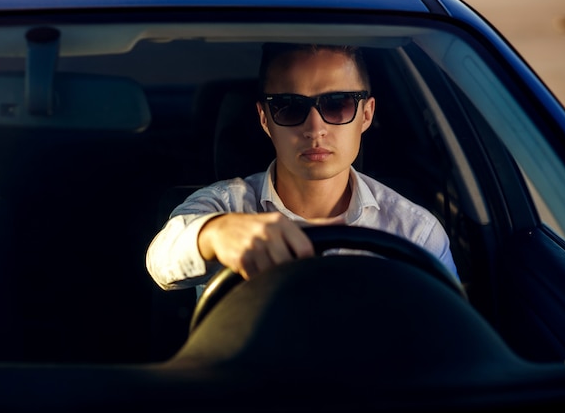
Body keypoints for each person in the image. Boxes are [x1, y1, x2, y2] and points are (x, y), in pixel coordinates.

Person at [146, 43, 459, 295]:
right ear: (265, 118)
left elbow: (451, 339)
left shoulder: (414, 232)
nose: (315, 128)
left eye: (338, 104)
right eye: (290, 106)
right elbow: (161, 261)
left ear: (366, 115)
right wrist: (215, 234)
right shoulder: (225, 205)